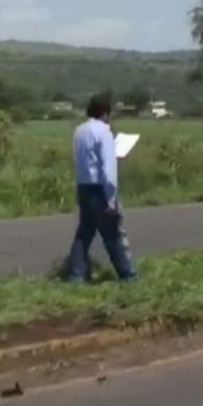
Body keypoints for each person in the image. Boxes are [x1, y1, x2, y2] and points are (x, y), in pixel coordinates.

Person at [65, 97, 136, 282]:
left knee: (84, 233)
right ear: (105, 113)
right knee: (113, 234)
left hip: (83, 186)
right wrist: (111, 198)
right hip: (100, 189)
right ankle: (127, 275)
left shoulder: (79, 131)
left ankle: (76, 275)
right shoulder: (104, 132)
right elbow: (107, 168)